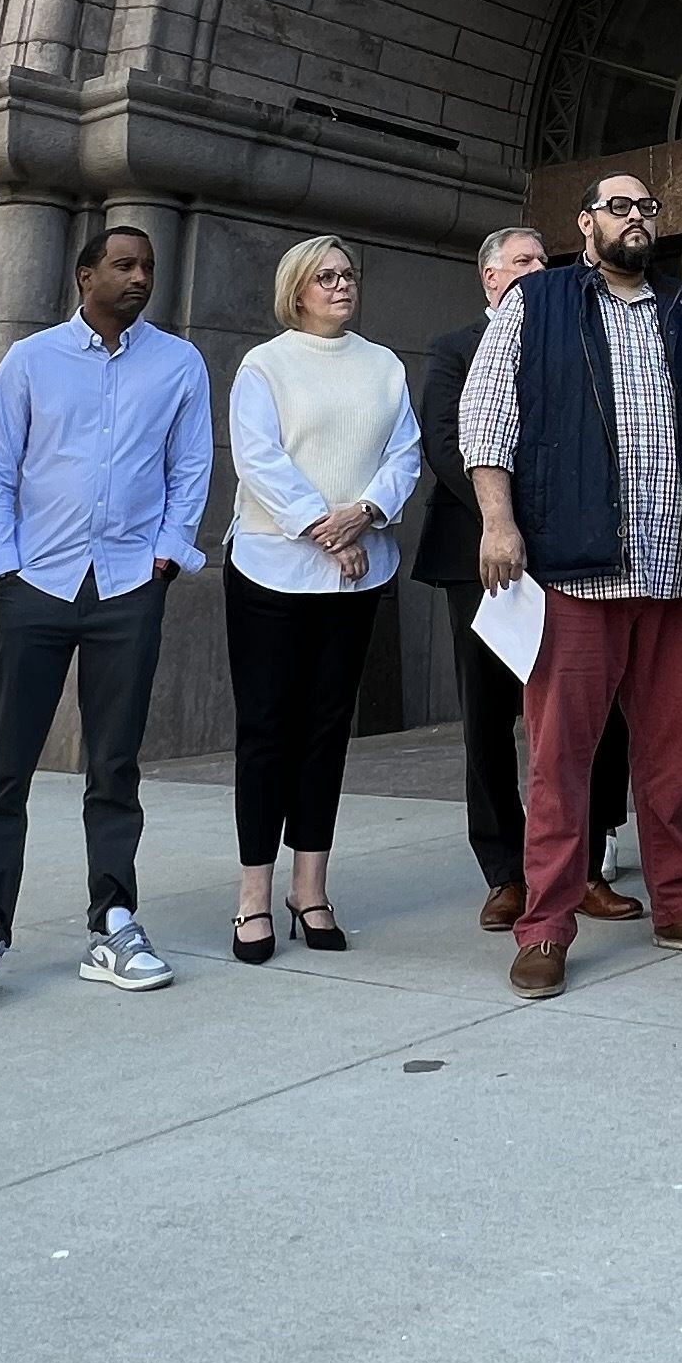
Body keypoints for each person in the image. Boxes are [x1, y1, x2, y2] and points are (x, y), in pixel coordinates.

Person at [461, 174, 682, 997]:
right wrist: (499, 522)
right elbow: (486, 417)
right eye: (619, 207)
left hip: (678, 569)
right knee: (561, 761)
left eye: (647, 208)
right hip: (574, 569)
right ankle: (547, 926)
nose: (636, 219)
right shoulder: (539, 303)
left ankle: (681, 906)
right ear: (586, 222)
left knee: (673, 756)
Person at [0, 222, 208, 1020]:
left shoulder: (178, 364)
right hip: (38, 587)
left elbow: (190, 466)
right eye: (122, 265)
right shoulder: (30, 361)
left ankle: (114, 923)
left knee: (115, 764)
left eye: (147, 266)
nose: (138, 278)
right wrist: (7, 567)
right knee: (5, 768)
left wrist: (166, 554)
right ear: (83, 276)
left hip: (129, 585)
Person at [413, 226, 631, 933]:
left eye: (546, 261)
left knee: (591, 712)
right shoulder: (453, 348)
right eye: (525, 262)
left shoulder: (578, 337)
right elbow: (448, 440)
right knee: (488, 716)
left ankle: (587, 866)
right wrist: (506, 512)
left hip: (575, 554)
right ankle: (506, 872)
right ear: (490, 278)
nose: (540, 271)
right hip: (480, 555)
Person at [223, 236, 426, 962]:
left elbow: (406, 453)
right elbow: (258, 457)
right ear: (297, 290)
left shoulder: (383, 365)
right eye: (326, 276)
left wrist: (364, 514)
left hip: (357, 572)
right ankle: (253, 896)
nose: (342, 285)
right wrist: (323, 527)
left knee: (325, 732)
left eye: (348, 275)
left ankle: (311, 889)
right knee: (269, 730)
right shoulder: (265, 365)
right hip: (274, 572)